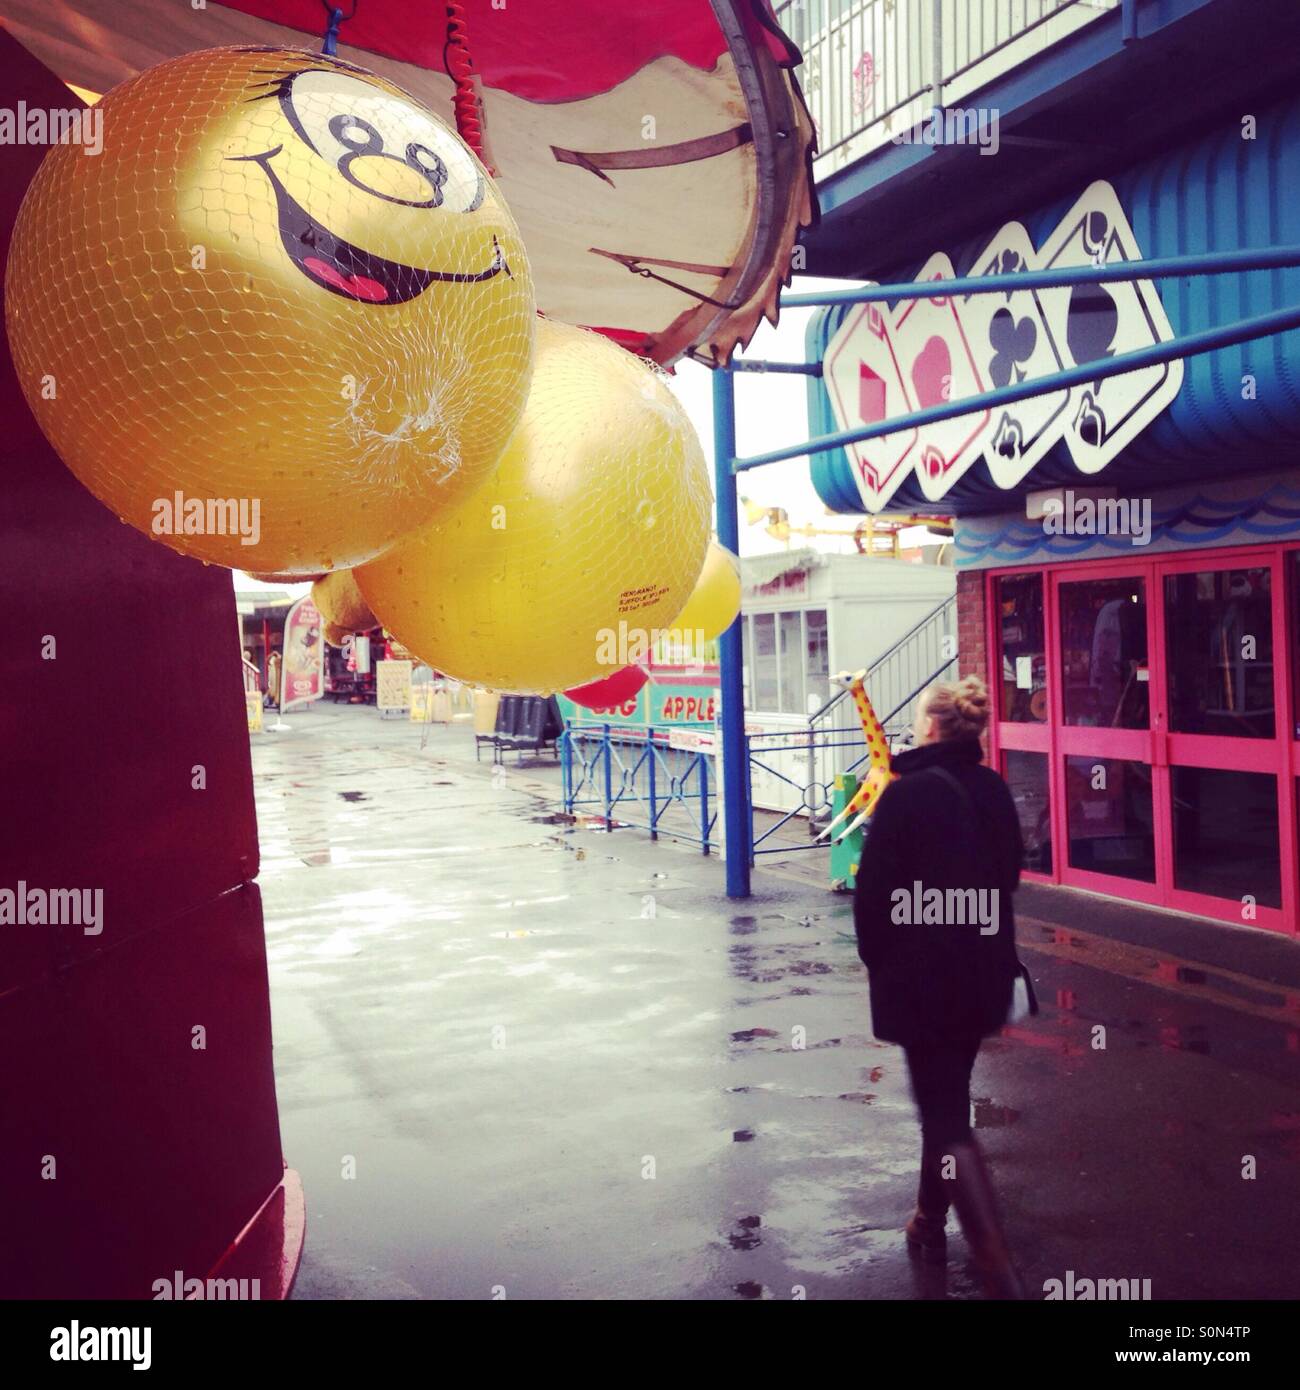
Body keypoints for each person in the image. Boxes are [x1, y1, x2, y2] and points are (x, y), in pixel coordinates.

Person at [852, 674, 1027, 1299]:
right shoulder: (994, 789)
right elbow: (1008, 876)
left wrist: (886, 965)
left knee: (947, 1117)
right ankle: (929, 1221)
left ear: (929, 726)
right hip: (982, 974)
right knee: (947, 1098)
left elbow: (871, 902)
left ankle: (997, 1266)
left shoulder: (903, 798)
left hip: (922, 982)